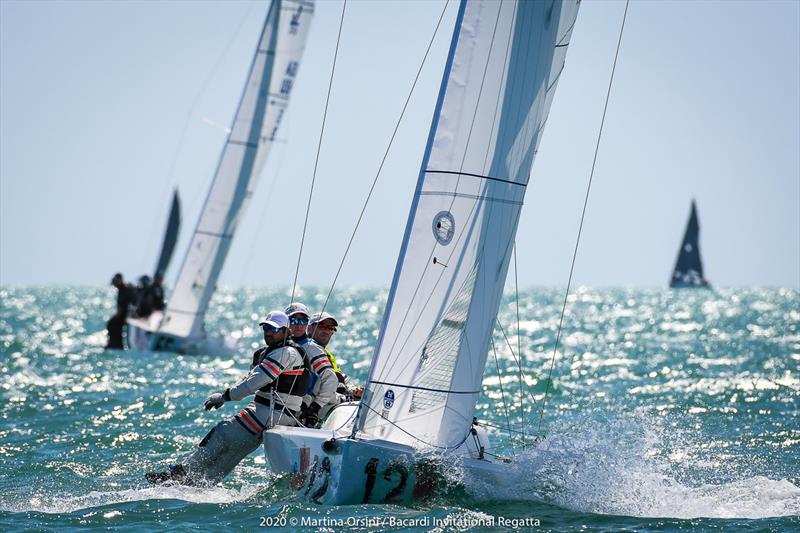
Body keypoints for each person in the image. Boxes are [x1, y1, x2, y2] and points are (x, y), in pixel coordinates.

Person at [145, 311, 308, 486]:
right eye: (266, 328)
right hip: (275, 413)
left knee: (222, 433)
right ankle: (198, 486)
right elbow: (253, 381)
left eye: (274, 329)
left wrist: (224, 397)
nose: (268, 332)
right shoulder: (275, 352)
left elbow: (255, 381)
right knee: (233, 452)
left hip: (270, 412)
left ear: (285, 331)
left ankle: (181, 473)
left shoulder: (284, 353)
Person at [284, 303, 339, 428]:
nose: (298, 324)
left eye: (302, 320)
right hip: (287, 407)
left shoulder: (312, 348)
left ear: (307, 324)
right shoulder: (281, 348)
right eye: (293, 320)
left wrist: (315, 408)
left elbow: (331, 379)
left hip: (307, 408)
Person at [306, 311, 362, 420]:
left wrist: (354, 390)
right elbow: (325, 384)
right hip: (316, 406)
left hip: (331, 403)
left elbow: (342, 377)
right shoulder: (309, 348)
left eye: (331, 328)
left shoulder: (326, 354)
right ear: (310, 328)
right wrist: (346, 399)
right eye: (322, 326)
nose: (327, 331)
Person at [105, 273, 133, 349]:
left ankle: (116, 344)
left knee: (112, 323)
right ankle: (114, 343)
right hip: (124, 315)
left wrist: (117, 315)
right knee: (111, 323)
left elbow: (122, 307)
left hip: (125, 315)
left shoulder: (125, 289)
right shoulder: (122, 289)